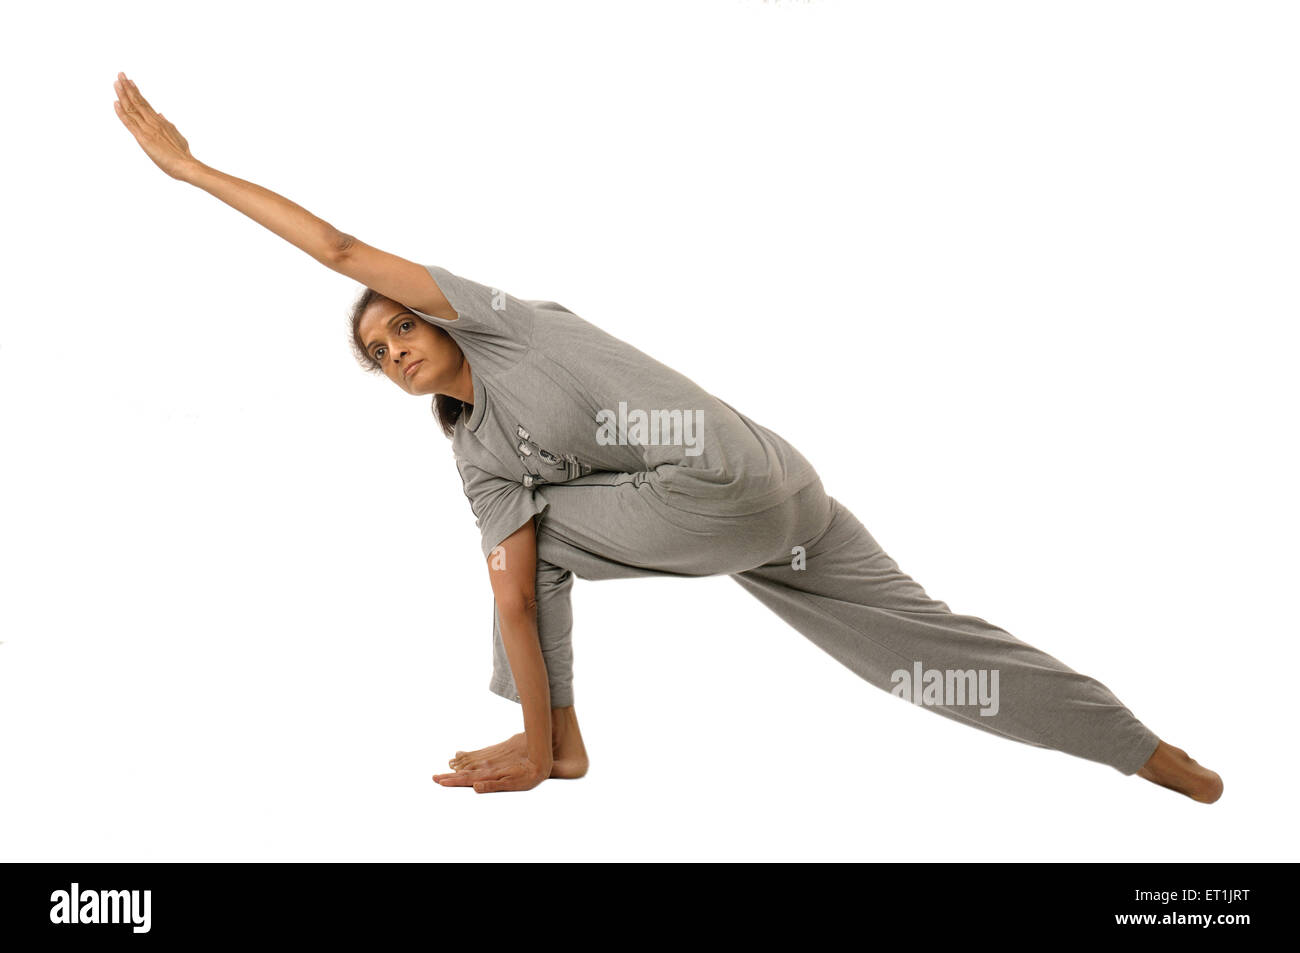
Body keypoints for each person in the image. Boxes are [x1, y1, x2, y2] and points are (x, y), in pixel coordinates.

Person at [113, 72, 1224, 801]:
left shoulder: (495, 321)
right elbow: (513, 596)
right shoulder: (480, 457)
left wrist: (191, 172)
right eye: (378, 350)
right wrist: (541, 720)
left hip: (722, 474)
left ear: (435, 311)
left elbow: (342, 245)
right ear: (388, 382)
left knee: (527, 553)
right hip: (779, 507)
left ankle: (557, 745)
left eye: (401, 321)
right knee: (922, 659)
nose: (395, 342)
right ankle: (1149, 754)